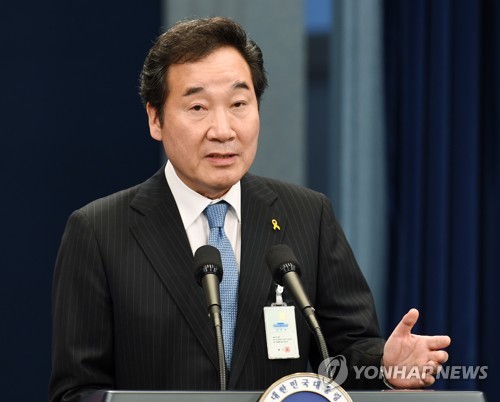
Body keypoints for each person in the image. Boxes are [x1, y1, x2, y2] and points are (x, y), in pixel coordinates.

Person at [49, 16, 450, 402]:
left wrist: (383, 366)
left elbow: (343, 352)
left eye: (239, 104)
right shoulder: (99, 231)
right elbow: (78, 391)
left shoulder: (308, 216)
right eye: (198, 108)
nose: (223, 130)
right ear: (156, 119)